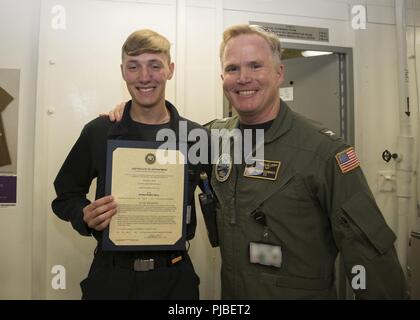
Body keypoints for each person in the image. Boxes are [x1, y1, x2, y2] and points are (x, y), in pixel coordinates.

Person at [108, 25, 408, 299]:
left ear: (279, 72)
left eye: (255, 65)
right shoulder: (211, 138)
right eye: (232, 68)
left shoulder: (323, 151)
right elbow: (161, 145)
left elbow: (369, 252)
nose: (243, 78)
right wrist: (131, 113)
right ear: (222, 78)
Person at [52, 29, 209, 299]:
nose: (144, 77)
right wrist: (85, 215)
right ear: (123, 71)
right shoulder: (99, 132)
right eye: (133, 66)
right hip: (111, 279)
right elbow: (65, 194)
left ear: (170, 70)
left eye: (154, 66)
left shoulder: (195, 138)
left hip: (175, 280)